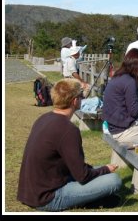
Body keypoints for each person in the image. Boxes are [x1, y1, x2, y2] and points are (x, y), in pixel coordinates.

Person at [17, 78, 122, 212]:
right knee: (114, 180)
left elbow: (72, 165)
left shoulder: (43, 118)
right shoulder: (68, 129)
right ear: (74, 101)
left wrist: (101, 170)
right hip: (48, 197)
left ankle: (92, 197)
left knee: (100, 170)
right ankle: (89, 200)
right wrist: (105, 170)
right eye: (81, 96)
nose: (82, 98)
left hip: (31, 191)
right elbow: (82, 176)